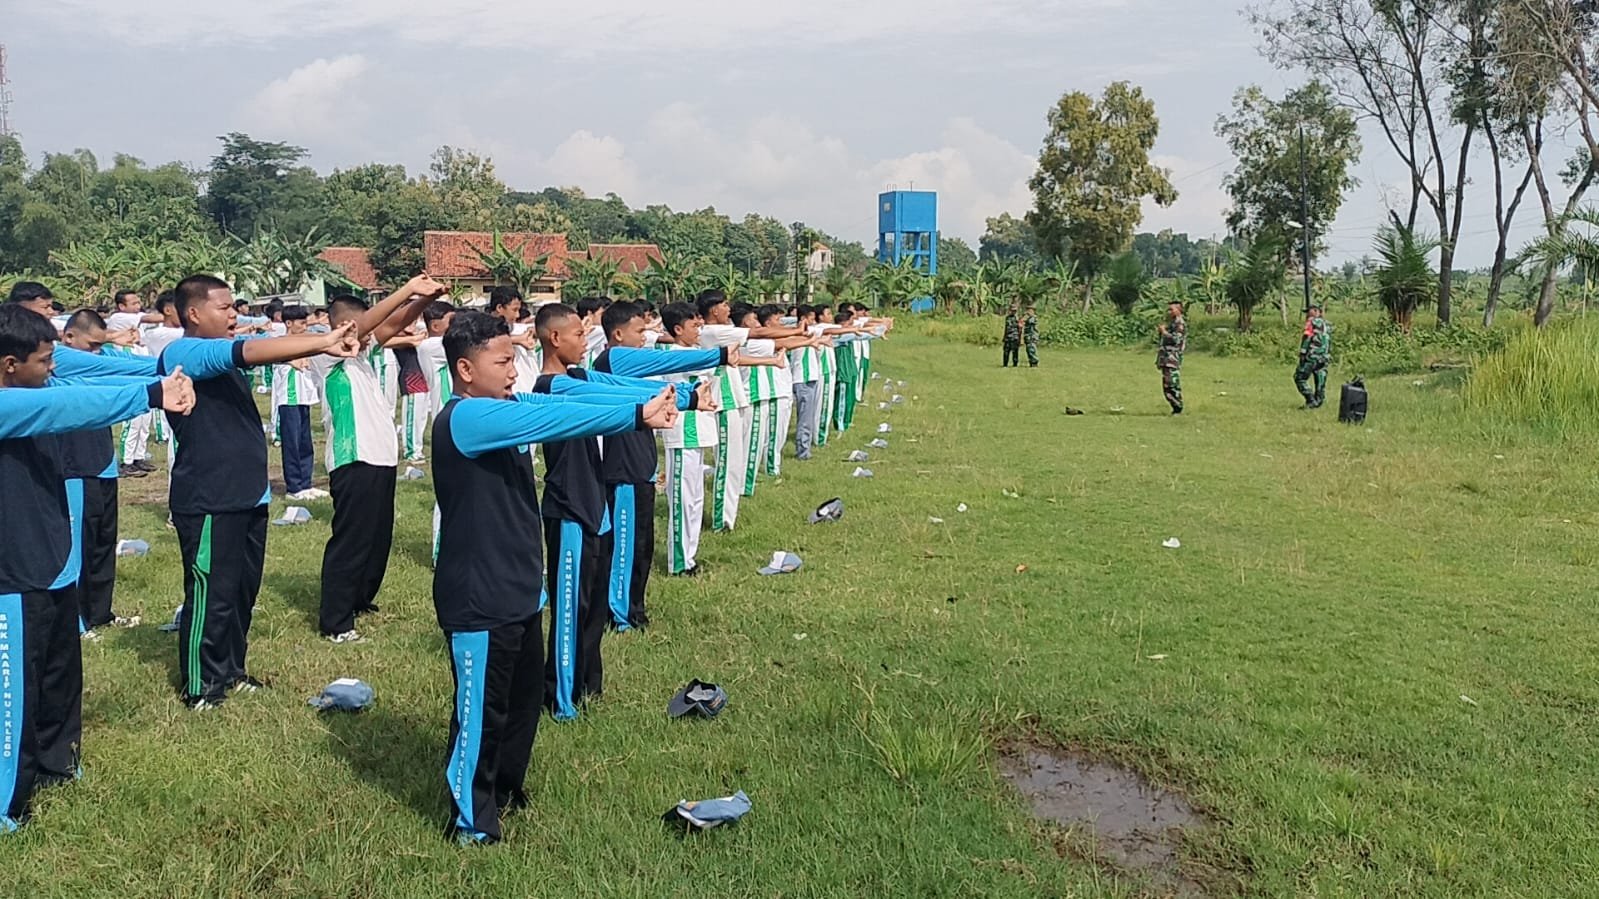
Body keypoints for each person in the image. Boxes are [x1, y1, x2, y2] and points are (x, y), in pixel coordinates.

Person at [430, 311, 674, 844]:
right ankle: (472, 823)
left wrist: (641, 406)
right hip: (479, 597)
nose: (512, 371)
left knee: (520, 707)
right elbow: (557, 420)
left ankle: (505, 789)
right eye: (502, 362)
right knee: (481, 713)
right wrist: (636, 413)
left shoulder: (506, 405)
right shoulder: (466, 418)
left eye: (513, 360)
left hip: (519, 589)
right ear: (466, 370)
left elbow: (570, 403)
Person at [0, 302, 194, 831]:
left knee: (60, 679)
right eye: (44, 361)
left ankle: (58, 767)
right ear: (10, 365)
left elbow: (86, 385)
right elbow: (69, 406)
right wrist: (152, 394)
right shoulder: (13, 405)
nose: (53, 369)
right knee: (15, 691)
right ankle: (7, 808)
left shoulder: (38, 388)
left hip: (53, 563)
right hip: (14, 576)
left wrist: (156, 379)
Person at [157, 274, 361, 709]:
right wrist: (321, 341)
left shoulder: (221, 358)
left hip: (248, 495)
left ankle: (231, 670)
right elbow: (248, 350)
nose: (234, 315)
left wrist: (322, 343)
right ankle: (202, 686)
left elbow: (256, 349)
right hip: (210, 497)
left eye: (234, 307)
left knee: (240, 592)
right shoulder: (183, 353)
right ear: (194, 313)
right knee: (211, 594)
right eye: (224, 307)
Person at [529, 303, 697, 719]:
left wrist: (681, 398)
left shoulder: (577, 377)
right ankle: (562, 699)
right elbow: (610, 400)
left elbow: (620, 389)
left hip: (593, 507)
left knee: (591, 609)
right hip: (570, 510)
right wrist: (647, 410)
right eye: (578, 335)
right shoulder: (552, 385)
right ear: (555, 338)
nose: (585, 342)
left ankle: (589, 686)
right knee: (571, 611)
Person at [309, 278, 446, 644]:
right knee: (352, 540)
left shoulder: (364, 355)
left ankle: (359, 598)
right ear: (343, 326)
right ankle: (336, 621)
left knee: (377, 537)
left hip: (381, 458)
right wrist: (408, 289)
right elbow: (371, 324)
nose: (370, 336)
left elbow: (393, 323)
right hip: (354, 458)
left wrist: (424, 300)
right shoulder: (327, 356)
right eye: (362, 327)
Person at [591, 300, 725, 629]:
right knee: (626, 547)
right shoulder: (612, 359)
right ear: (618, 334)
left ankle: (632, 607)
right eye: (639, 331)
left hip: (640, 467)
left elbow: (657, 387)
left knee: (642, 546)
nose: (644, 337)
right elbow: (667, 360)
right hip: (624, 471)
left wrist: (690, 395)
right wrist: (719, 355)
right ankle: (620, 615)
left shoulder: (627, 369)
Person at [57, 311, 145, 637]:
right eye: (91, 345)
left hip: (104, 465)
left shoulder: (99, 362)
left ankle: (100, 612)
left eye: (99, 346)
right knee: (79, 547)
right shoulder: (58, 367)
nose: (96, 352)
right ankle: (76, 620)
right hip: (76, 469)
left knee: (103, 544)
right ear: (68, 338)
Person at [694, 290, 790, 531]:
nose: (728, 309)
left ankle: (728, 516)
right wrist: (799, 331)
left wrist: (771, 360)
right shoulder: (713, 331)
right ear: (714, 310)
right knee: (727, 462)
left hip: (733, 400)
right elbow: (759, 333)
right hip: (723, 402)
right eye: (724, 305)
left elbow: (739, 358)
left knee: (734, 461)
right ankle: (722, 520)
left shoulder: (721, 331)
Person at [658, 303, 720, 577]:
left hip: (699, 432)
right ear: (677, 329)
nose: (699, 330)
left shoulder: (694, 352)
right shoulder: (675, 356)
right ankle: (680, 562)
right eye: (694, 326)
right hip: (683, 434)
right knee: (682, 501)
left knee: (695, 499)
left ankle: (690, 557)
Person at [273, 306, 325, 501]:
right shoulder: (280, 343)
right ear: (289, 323)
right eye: (301, 323)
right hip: (289, 399)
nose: (305, 327)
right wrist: (289, 361)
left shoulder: (304, 342)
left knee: (305, 442)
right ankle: (294, 487)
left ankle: (306, 483)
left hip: (304, 397)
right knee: (292, 443)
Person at [788, 305, 824, 461]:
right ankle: (803, 451)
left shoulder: (808, 333)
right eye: (811, 318)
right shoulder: (800, 334)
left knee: (807, 416)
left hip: (809, 379)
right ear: (803, 319)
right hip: (802, 379)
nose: (814, 322)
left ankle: (804, 448)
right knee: (805, 418)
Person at [1295, 303, 1332, 409]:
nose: (1307, 314)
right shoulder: (1327, 324)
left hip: (1312, 355)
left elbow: (1307, 338)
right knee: (1320, 377)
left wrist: (1303, 353)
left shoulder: (1311, 322)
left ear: (1317, 311)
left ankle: (1310, 399)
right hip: (1324, 356)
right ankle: (1319, 399)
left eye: (1309, 311)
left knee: (1299, 378)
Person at [1157, 301, 1186, 415]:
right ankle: (1175, 406)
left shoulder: (1179, 324)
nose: (1169, 312)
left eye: (1171, 309)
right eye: (1168, 309)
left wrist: (1164, 332)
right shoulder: (1172, 323)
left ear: (1179, 310)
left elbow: (1176, 340)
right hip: (1166, 357)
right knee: (1167, 383)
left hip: (1172, 358)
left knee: (1172, 383)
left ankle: (1178, 407)